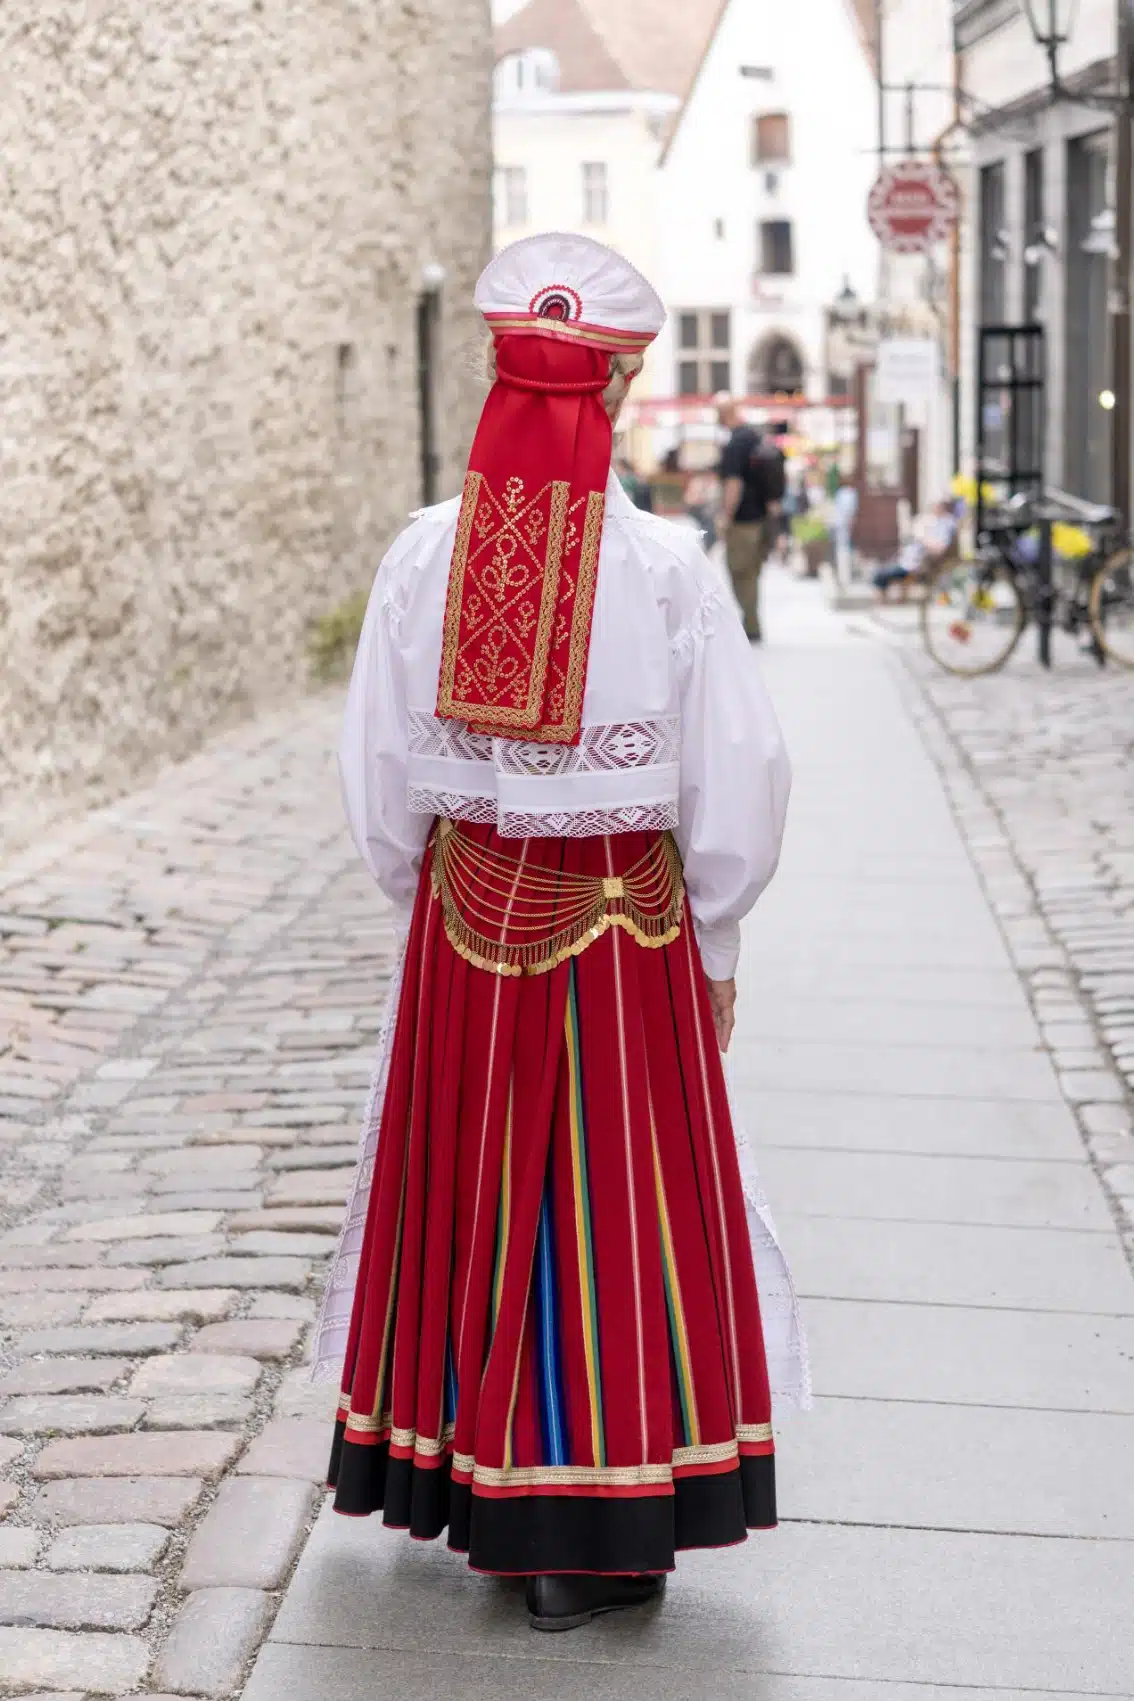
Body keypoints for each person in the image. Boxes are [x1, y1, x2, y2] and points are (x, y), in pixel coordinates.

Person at [310, 232, 807, 1633]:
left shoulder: (424, 555)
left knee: (474, 1189)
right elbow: (736, 774)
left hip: (467, 923)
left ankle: (467, 1476)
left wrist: (425, 907)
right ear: (621, 385)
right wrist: (717, 938)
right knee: (611, 1206)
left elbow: (378, 779)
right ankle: (590, 1531)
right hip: (623, 934)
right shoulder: (665, 566)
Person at [717, 398, 786, 641]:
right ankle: (751, 621)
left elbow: (733, 483)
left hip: (743, 520)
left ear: (725, 414)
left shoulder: (736, 443)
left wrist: (726, 515)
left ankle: (751, 624)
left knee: (739, 571)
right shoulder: (757, 438)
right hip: (763, 518)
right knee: (752, 573)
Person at [872, 498, 957, 599]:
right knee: (879, 572)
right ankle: (885, 601)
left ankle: (885, 602)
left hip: (915, 564)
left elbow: (940, 548)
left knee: (881, 574)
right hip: (908, 560)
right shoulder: (927, 521)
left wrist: (924, 541)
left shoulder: (947, 523)